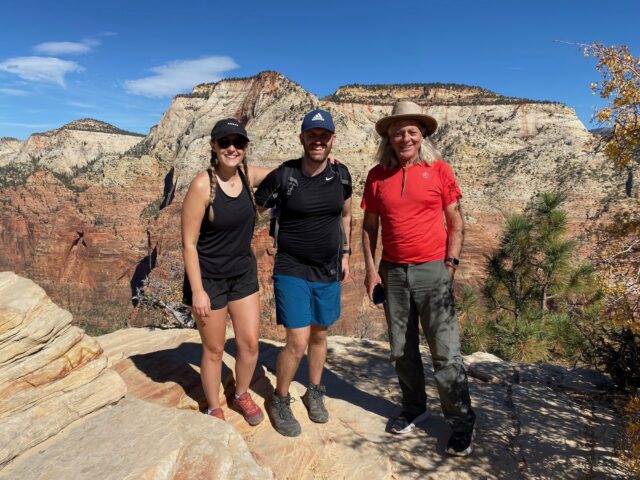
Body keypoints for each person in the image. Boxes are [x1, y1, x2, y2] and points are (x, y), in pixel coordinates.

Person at [361, 101, 476, 456]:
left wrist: (450, 267)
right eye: (398, 132)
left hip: (432, 269)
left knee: (445, 352)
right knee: (401, 349)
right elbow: (369, 228)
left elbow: (456, 222)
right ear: (389, 138)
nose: (404, 137)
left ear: (422, 134)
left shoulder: (439, 170)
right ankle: (415, 407)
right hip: (392, 272)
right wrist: (370, 269)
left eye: (411, 131)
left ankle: (460, 421)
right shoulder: (377, 176)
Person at [254, 109, 352, 437]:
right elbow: (253, 202)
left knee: (320, 335)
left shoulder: (342, 175)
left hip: (328, 268)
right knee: (297, 338)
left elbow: (346, 215)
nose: (318, 140)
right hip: (291, 267)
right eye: (312, 135)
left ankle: (314, 390)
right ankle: (280, 398)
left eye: (324, 136)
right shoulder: (286, 175)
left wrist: (347, 253)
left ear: (332, 140)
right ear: (302, 139)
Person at [181, 118, 273, 425]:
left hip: (243, 274)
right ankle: (213, 406)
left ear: (245, 148)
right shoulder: (201, 185)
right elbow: (189, 243)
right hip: (208, 279)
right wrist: (197, 290)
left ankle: (241, 393)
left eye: (239, 143)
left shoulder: (248, 176)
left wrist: (322, 159)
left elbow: (284, 172)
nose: (232, 148)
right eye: (225, 142)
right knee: (214, 349)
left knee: (249, 344)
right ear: (213, 146)